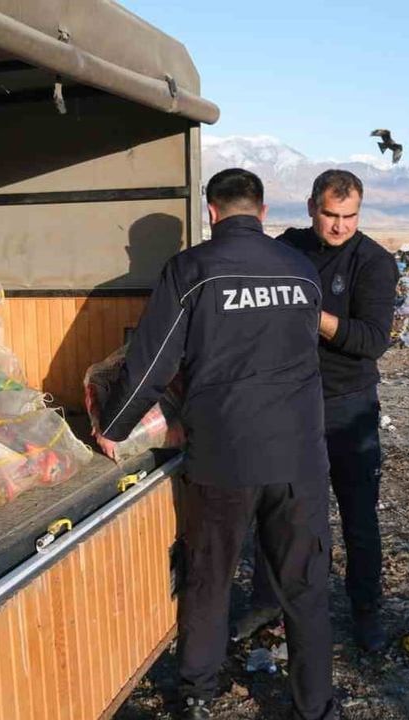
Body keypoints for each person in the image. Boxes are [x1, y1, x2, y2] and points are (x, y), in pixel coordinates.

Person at [98, 168, 336, 720]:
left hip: (225, 454)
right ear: (263, 211)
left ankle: (198, 695)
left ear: (210, 212)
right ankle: (315, 706)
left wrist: (114, 425)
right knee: (305, 584)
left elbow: (152, 363)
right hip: (299, 454)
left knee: (209, 577)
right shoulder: (301, 270)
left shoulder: (192, 269)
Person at [236, 169, 399, 653]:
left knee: (358, 517)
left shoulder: (374, 262)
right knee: (279, 510)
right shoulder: (286, 248)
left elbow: (372, 340)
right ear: (312, 207)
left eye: (349, 217)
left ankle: (366, 611)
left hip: (348, 407)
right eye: (330, 214)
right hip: (287, 403)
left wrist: (315, 315)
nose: (339, 226)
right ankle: (267, 603)